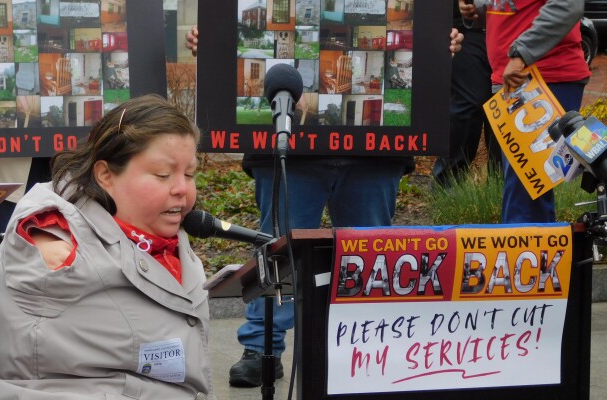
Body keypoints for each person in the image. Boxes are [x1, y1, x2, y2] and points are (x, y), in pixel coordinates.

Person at [186, 26, 465, 388]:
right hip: (289, 146)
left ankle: (370, 346)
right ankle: (263, 348)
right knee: (276, 249)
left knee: (371, 257)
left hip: (376, 150)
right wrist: (218, 42)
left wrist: (433, 47)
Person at [0, 94, 216, 399]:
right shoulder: (49, 223)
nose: (181, 189)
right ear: (105, 175)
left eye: (189, 174)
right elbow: (43, 258)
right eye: (162, 175)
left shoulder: (159, 239)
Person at [459, 0, 590, 223]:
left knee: (527, 189)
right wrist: (478, 10)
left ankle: (524, 256)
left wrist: (521, 55)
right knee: (524, 186)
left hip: (545, 77)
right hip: (514, 79)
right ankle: (528, 253)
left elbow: (568, 5)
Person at [432, 0, 502, 188]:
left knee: (504, 109)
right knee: (469, 104)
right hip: (465, 32)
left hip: (510, 29)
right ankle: (446, 184)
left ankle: (500, 188)